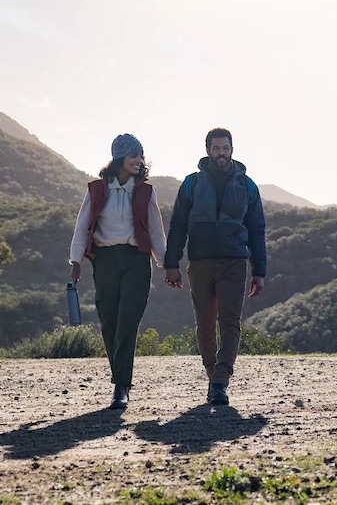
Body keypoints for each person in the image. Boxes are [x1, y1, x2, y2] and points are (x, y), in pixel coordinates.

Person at [163, 127, 267, 406]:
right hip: (200, 260)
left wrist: (259, 270)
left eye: (226, 148)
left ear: (233, 149)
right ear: (208, 150)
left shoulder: (247, 185)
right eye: (216, 148)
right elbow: (177, 226)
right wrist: (170, 262)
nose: (221, 153)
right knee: (205, 323)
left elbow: (257, 230)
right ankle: (213, 376)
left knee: (230, 321)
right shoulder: (191, 184)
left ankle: (221, 380)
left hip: (234, 260)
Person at [68, 133, 167, 409]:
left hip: (136, 260)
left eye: (141, 155)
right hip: (105, 260)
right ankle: (120, 378)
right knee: (109, 320)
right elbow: (82, 226)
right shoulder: (97, 190)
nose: (139, 160)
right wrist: (75, 261)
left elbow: (156, 231)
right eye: (133, 155)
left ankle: (121, 386)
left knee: (128, 321)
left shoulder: (146, 191)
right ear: (119, 158)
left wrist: (166, 265)